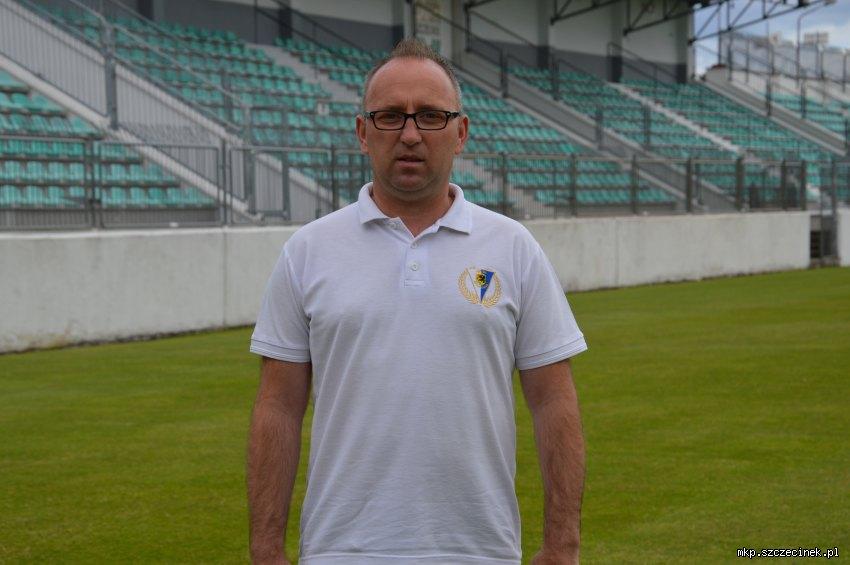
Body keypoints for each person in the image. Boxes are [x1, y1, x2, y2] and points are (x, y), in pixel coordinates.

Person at [247, 38, 588, 565]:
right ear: (363, 133)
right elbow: (278, 408)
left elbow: (553, 402)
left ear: (461, 132)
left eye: (431, 116)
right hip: (342, 550)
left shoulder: (513, 247)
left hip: (479, 549)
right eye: (390, 116)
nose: (410, 134)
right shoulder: (308, 251)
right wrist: (266, 548)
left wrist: (563, 544)